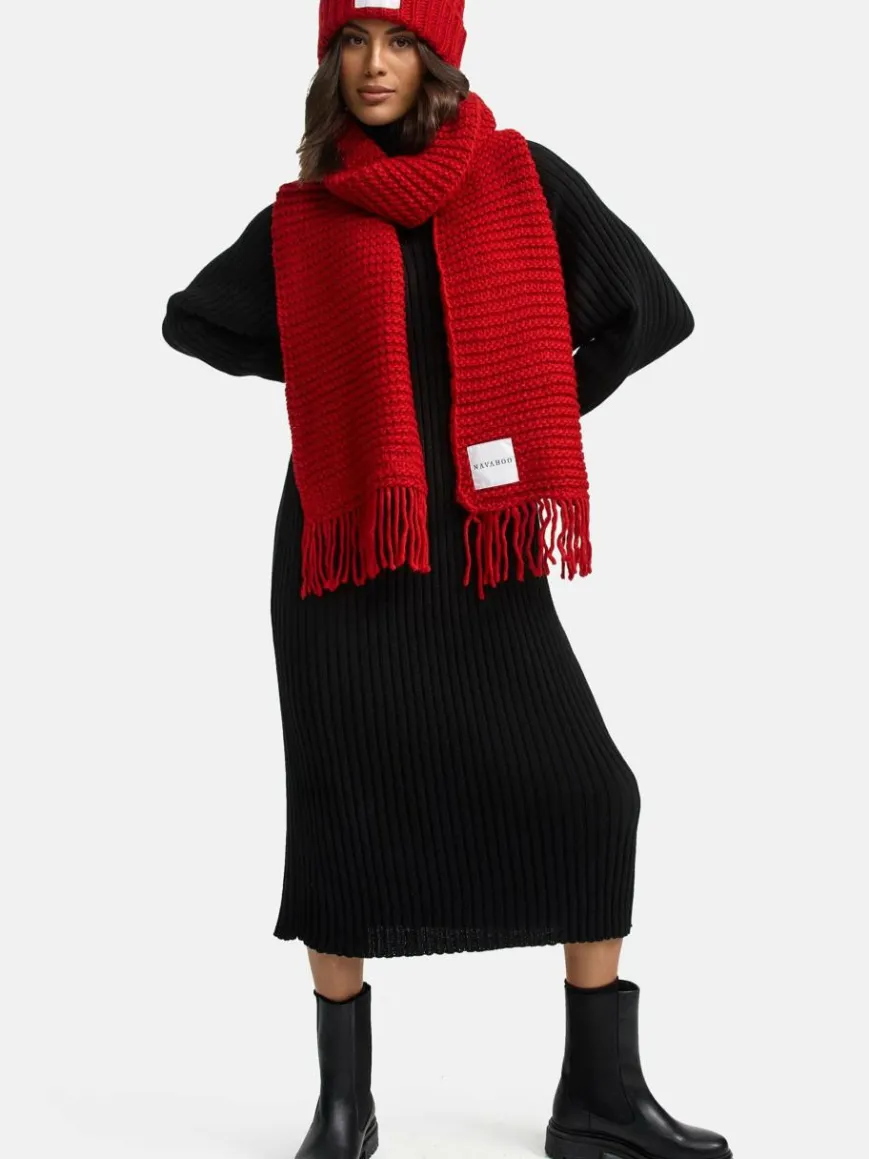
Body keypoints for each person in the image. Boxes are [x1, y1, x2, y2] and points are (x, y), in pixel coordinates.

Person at [162, 4, 731, 1158]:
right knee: (342, 817)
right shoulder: (307, 218)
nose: (371, 64)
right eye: (350, 41)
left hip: (478, 544)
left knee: (591, 796)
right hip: (346, 551)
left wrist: (539, 401)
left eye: (396, 39)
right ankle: (344, 1110)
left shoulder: (519, 179)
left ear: (438, 54)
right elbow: (192, 323)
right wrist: (329, 368)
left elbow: (649, 310)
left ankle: (598, 1097)